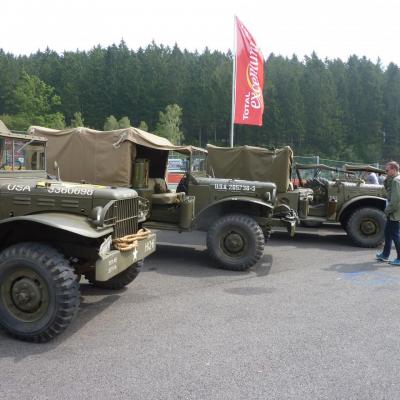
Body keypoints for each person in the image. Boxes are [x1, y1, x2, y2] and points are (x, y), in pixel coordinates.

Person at [376, 161, 400, 265]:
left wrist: (387, 210)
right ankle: (385, 254)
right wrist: (387, 177)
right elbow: (387, 189)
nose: (385, 171)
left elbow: (395, 200)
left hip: (395, 213)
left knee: (395, 235)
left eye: (387, 170)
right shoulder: (393, 179)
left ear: (394, 169)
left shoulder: (396, 181)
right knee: (387, 233)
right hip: (393, 212)